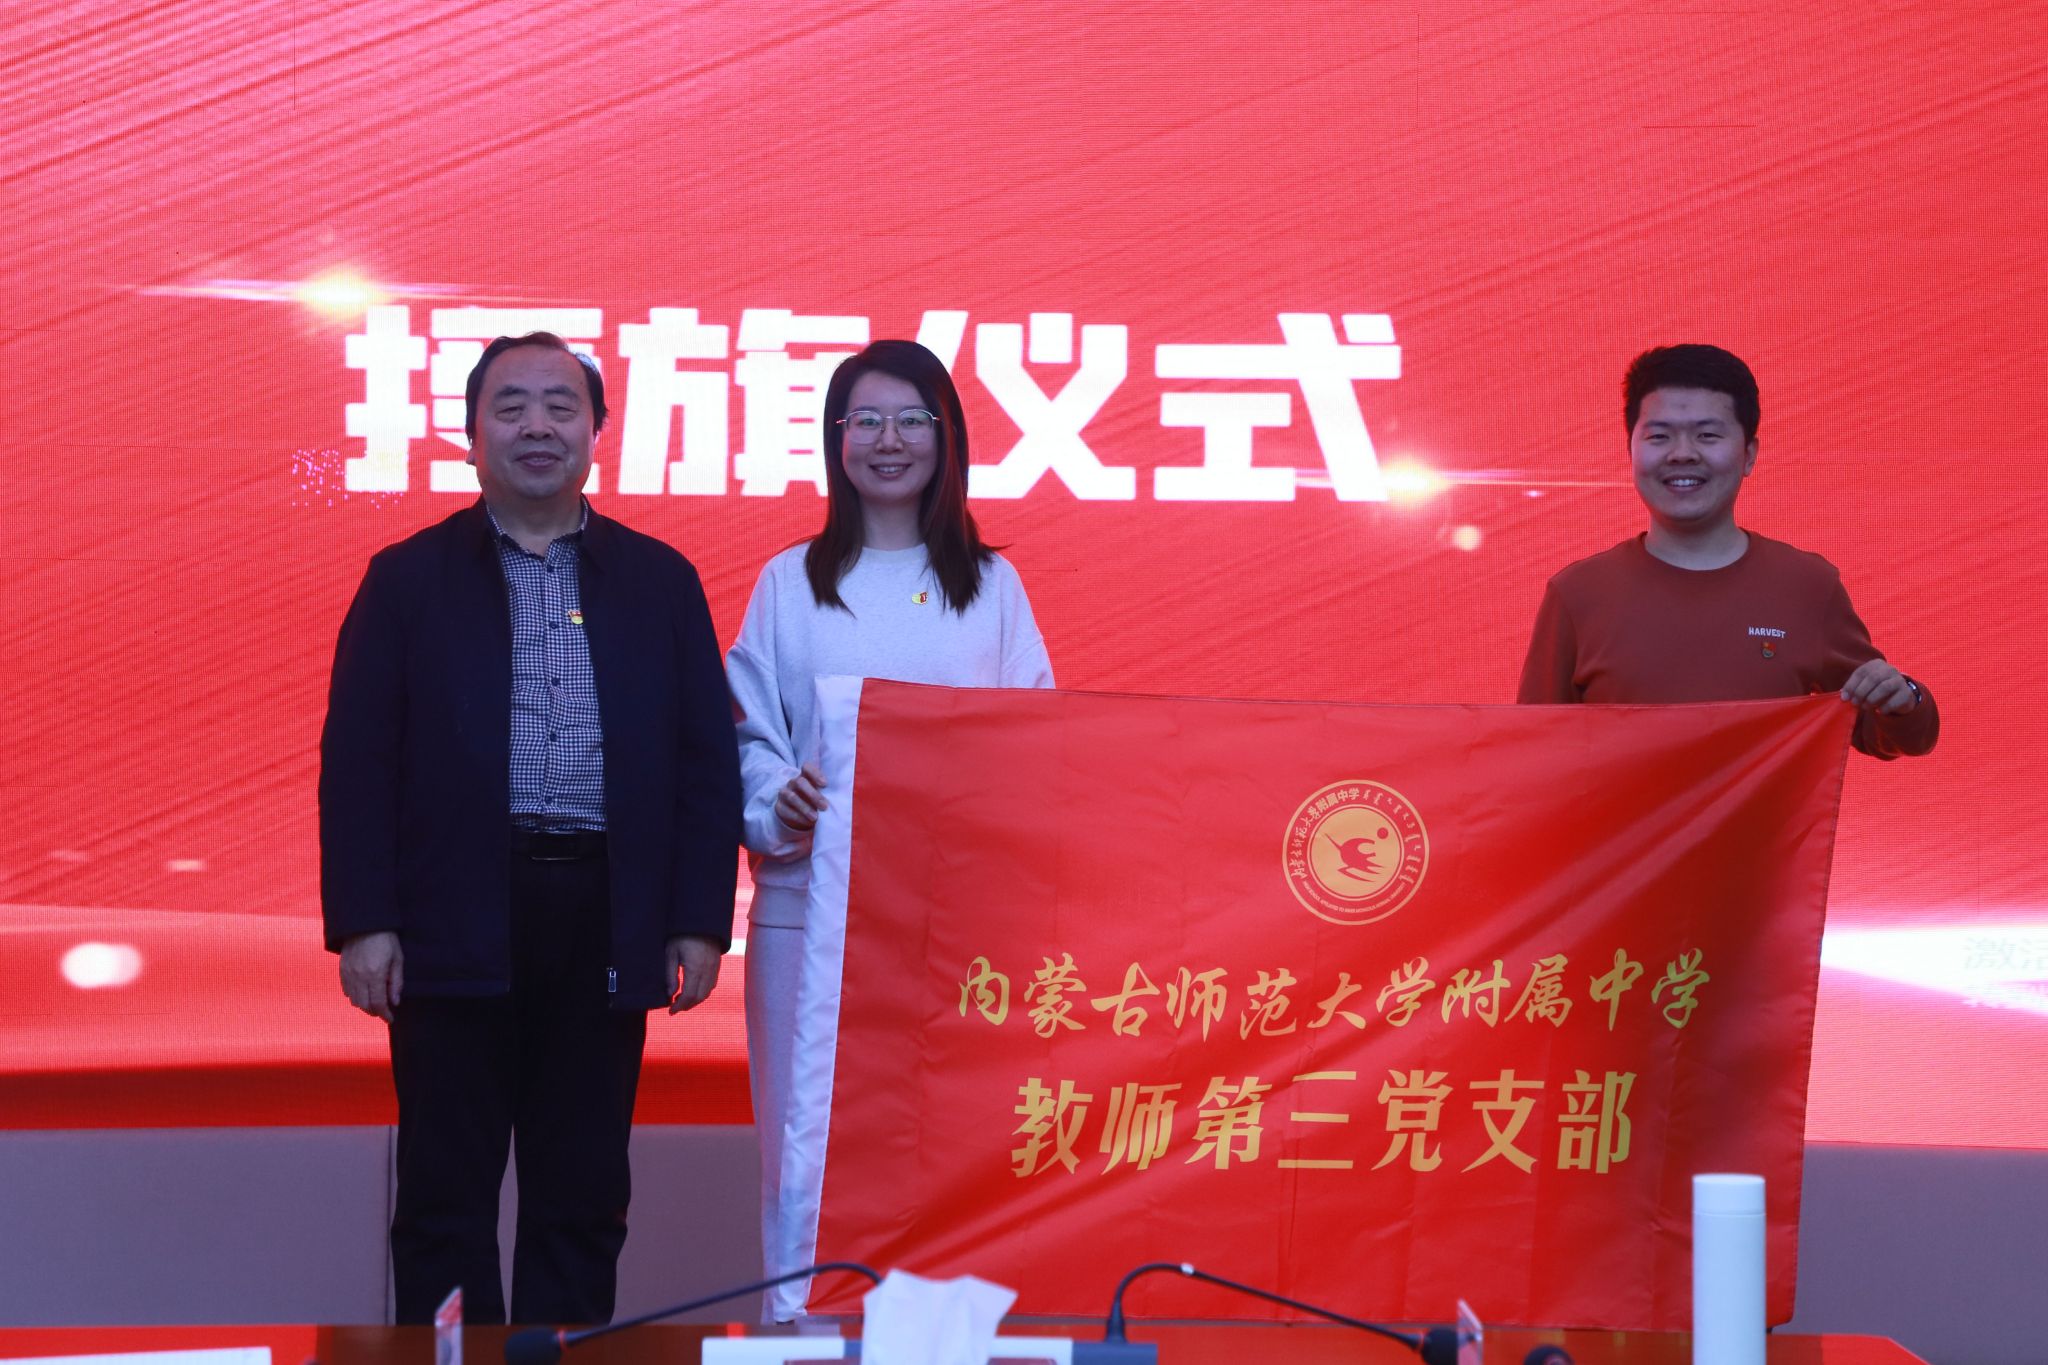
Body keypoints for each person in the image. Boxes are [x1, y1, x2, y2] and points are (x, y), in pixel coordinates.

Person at [319, 332, 742, 1325]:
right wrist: (366, 921)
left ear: (597, 429)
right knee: (444, 1193)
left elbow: (702, 760)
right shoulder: (407, 578)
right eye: (510, 407)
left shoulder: (659, 580)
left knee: (582, 1192)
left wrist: (696, 920)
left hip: (605, 908)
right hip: (452, 910)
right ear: (470, 435)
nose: (537, 426)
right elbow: (358, 760)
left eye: (561, 405)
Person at [725, 339, 1055, 1319]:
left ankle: (943, 1337)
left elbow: (1036, 742)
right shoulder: (789, 581)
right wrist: (775, 799)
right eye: (865, 420)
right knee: (805, 1152)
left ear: (946, 438)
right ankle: (799, 1331)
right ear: (835, 440)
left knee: (944, 1150)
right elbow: (746, 734)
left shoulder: (990, 587)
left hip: (955, 928)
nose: (888, 440)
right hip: (808, 917)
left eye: (913, 419)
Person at [1518, 343, 1938, 758]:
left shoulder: (1806, 585)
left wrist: (1905, 698)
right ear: (1631, 450)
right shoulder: (1578, 594)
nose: (1682, 454)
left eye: (1707, 435)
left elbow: (1894, 734)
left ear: (1749, 454)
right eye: (1659, 436)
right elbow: (1532, 752)